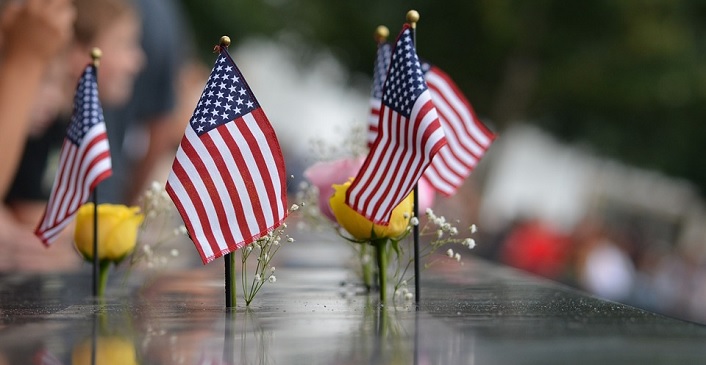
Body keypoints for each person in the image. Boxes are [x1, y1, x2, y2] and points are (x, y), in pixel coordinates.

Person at [1, 0, 145, 272]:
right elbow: (32, 217)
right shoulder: (42, 127)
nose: (137, 61)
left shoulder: (61, 123)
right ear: (78, 53)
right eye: (124, 43)